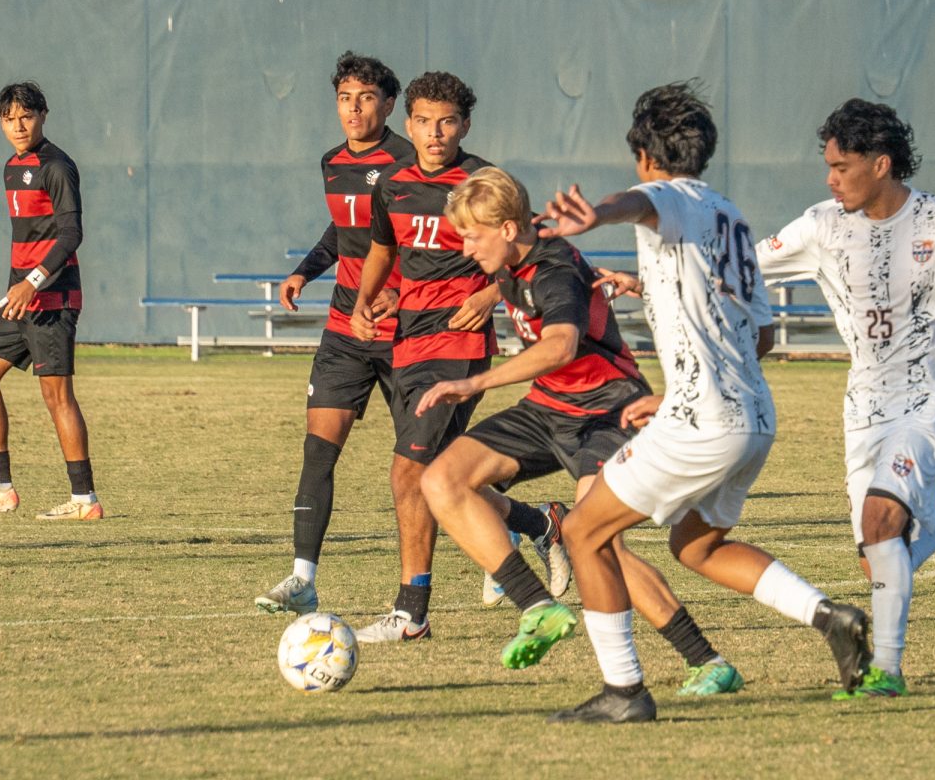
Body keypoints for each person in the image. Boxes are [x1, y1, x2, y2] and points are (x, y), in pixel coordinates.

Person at [533, 82, 871, 724]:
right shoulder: (731, 215)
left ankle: (625, 692)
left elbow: (639, 202)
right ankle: (831, 617)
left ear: (642, 151)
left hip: (703, 421)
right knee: (696, 547)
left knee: (582, 531)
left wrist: (593, 217)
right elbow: (760, 332)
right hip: (753, 417)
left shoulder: (664, 195)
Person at [419, 166, 744, 696]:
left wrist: (475, 380)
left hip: (607, 410)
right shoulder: (518, 246)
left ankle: (706, 660)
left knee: (597, 540)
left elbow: (561, 345)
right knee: (442, 481)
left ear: (505, 230)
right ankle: (537, 605)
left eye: (472, 237)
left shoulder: (551, 269)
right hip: (548, 406)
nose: (466, 249)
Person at [755, 98, 935, 699]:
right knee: (881, 555)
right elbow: (740, 270)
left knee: (882, 523)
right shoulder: (820, 226)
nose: (830, 179)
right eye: (828, 165)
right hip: (863, 408)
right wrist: (648, 282)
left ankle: (887, 670)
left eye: (842, 166)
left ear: (881, 164)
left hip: (928, 404)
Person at [350, 71, 565, 642]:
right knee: (439, 475)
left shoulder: (483, 181)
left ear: (464, 124)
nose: (435, 131)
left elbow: (533, 244)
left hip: (459, 346)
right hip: (406, 343)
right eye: (423, 120)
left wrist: (493, 292)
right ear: (408, 124)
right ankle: (541, 524)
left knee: (408, 473)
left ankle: (411, 612)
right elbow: (383, 249)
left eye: (447, 120)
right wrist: (366, 301)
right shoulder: (392, 184)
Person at [254, 52, 414, 615]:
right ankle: (303, 580)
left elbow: (425, 243)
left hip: (407, 331)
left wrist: (398, 294)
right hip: (347, 329)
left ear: (389, 104)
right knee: (318, 453)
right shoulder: (331, 162)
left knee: (431, 465)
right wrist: (304, 269)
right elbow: (343, 229)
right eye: (345, 97)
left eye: (366, 97)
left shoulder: (409, 160)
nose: (353, 108)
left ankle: (514, 537)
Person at [0, 82, 103, 521]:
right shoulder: (11, 166)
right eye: (8, 118)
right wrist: (19, 286)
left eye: (26, 116)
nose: (17, 126)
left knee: (57, 397)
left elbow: (71, 234)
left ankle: (84, 501)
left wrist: (33, 282)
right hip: (19, 298)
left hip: (50, 297)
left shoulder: (57, 166)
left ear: (43, 115)